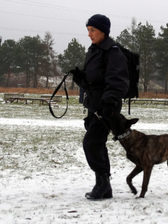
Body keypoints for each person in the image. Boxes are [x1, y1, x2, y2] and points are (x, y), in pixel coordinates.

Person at [70, 14, 129, 200]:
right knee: (97, 143)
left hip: (105, 107)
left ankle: (103, 183)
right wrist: (82, 80)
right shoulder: (94, 50)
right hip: (94, 104)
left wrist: (109, 104)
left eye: (92, 30)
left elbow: (118, 81)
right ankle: (103, 185)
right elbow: (95, 81)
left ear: (103, 31)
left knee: (91, 143)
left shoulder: (113, 52)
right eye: (88, 30)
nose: (89, 34)